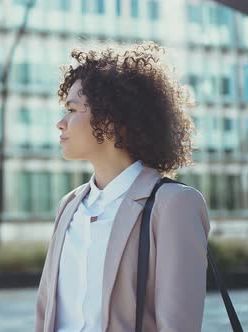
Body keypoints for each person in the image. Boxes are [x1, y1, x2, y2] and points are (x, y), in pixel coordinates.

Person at [35, 41, 210, 332]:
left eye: (72, 109)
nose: (60, 123)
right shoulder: (69, 205)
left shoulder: (173, 205)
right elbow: (45, 315)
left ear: (111, 119)